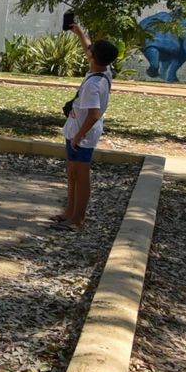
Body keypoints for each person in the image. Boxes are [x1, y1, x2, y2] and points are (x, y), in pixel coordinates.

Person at [54, 22, 119, 231]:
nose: (87, 51)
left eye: (90, 51)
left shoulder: (93, 85)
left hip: (83, 135)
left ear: (93, 57)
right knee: (72, 172)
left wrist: (77, 138)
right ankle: (69, 212)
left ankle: (78, 219)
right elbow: (89, 47)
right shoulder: (104, 72)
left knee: (81, 175)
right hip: (76, 131)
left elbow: (93, 115)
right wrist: (79, 31)